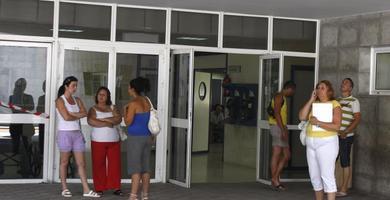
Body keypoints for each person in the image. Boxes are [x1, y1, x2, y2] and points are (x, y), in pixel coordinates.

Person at [55, 76, 100, 198]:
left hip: (77, 134)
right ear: (66, 86)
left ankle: (86, 189)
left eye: (76, 85)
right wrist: (76, 114)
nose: (75, 88)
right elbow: (66, 117)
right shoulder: (60, 100)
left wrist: (72, 114)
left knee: (81, 163)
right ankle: (64, 188)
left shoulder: (77, 99)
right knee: (64, 162)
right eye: (73, 85)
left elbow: (85, 113)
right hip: (64, 133)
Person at [299, 80, 341, 200]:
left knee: (327, 176)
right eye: (317, 87)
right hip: (311, 143)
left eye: (322, 87)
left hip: (327, 143)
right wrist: (311, 100)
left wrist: (318, 123)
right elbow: (302, 116)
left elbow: (337, 126)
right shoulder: (314, 104)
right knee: (314, 177)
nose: (319, 89)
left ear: (329, 91)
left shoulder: (334, 104)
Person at [87, 86, 123, 196]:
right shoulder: (93, 109)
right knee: (98, 164)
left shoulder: (113, 107)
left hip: (114, 141)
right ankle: (99, 187)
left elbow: (118, 119)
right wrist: (108, 123)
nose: (101, 96)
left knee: (115, 165)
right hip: (98, 141)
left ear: (108, 97)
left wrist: (102, 120)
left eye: (104, 95)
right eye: (100, 94)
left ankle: (116, 187)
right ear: (96, 96)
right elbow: (91, 121)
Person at [124, 77, 153, 200]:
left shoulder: (133, 103)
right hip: (147, 137)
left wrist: (124, 111)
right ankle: (145, 195)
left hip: (135, 138)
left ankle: (133, 196)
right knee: (145, 167)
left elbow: (128, 122)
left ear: (133, 89)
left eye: (129, 87)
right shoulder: (147, 101)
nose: (128, 89)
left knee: (135, 167)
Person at [268, 81, 296, 190]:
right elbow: (277, 113)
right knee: (277, 153)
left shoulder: (281, 97)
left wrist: (284, 128)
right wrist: (283, 130)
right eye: (293, 91)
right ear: (289, 88)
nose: (293, 93)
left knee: (286, 155)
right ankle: (275, 180)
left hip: (280, 127)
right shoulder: (279, 97)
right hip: (277, 127)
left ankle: (275, 178)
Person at [336, 78, 361, 197]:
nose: (343, 84)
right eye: (343, 82)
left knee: (345, 162)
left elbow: (357, 119)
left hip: (346, 137)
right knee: (332, 161)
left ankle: (344, 188)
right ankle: (332, 187)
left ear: (350, 88)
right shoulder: (337, 100)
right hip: (335, 136)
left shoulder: (354, 101)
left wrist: (346, 131)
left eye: (346, 83)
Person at [8, 78, 34, 155]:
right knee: (15, 145)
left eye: (22, 86)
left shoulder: (29, 97)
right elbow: (13, 109)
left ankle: (28, 163)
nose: (20, 87)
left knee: (27, 144)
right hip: (15, 123)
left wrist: (21, 107)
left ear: (25, 87)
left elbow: (31, 107)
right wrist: (22, 107)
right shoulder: (12, 97)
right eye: (19, 86)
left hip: (26, 124)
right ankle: (16, 163)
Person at [36, 80, 46, 155]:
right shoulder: (41, 98)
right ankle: (42, 155)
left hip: (52, 122)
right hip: (43, 122)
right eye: (44, 86)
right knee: (42, 139)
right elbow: (38, 110)